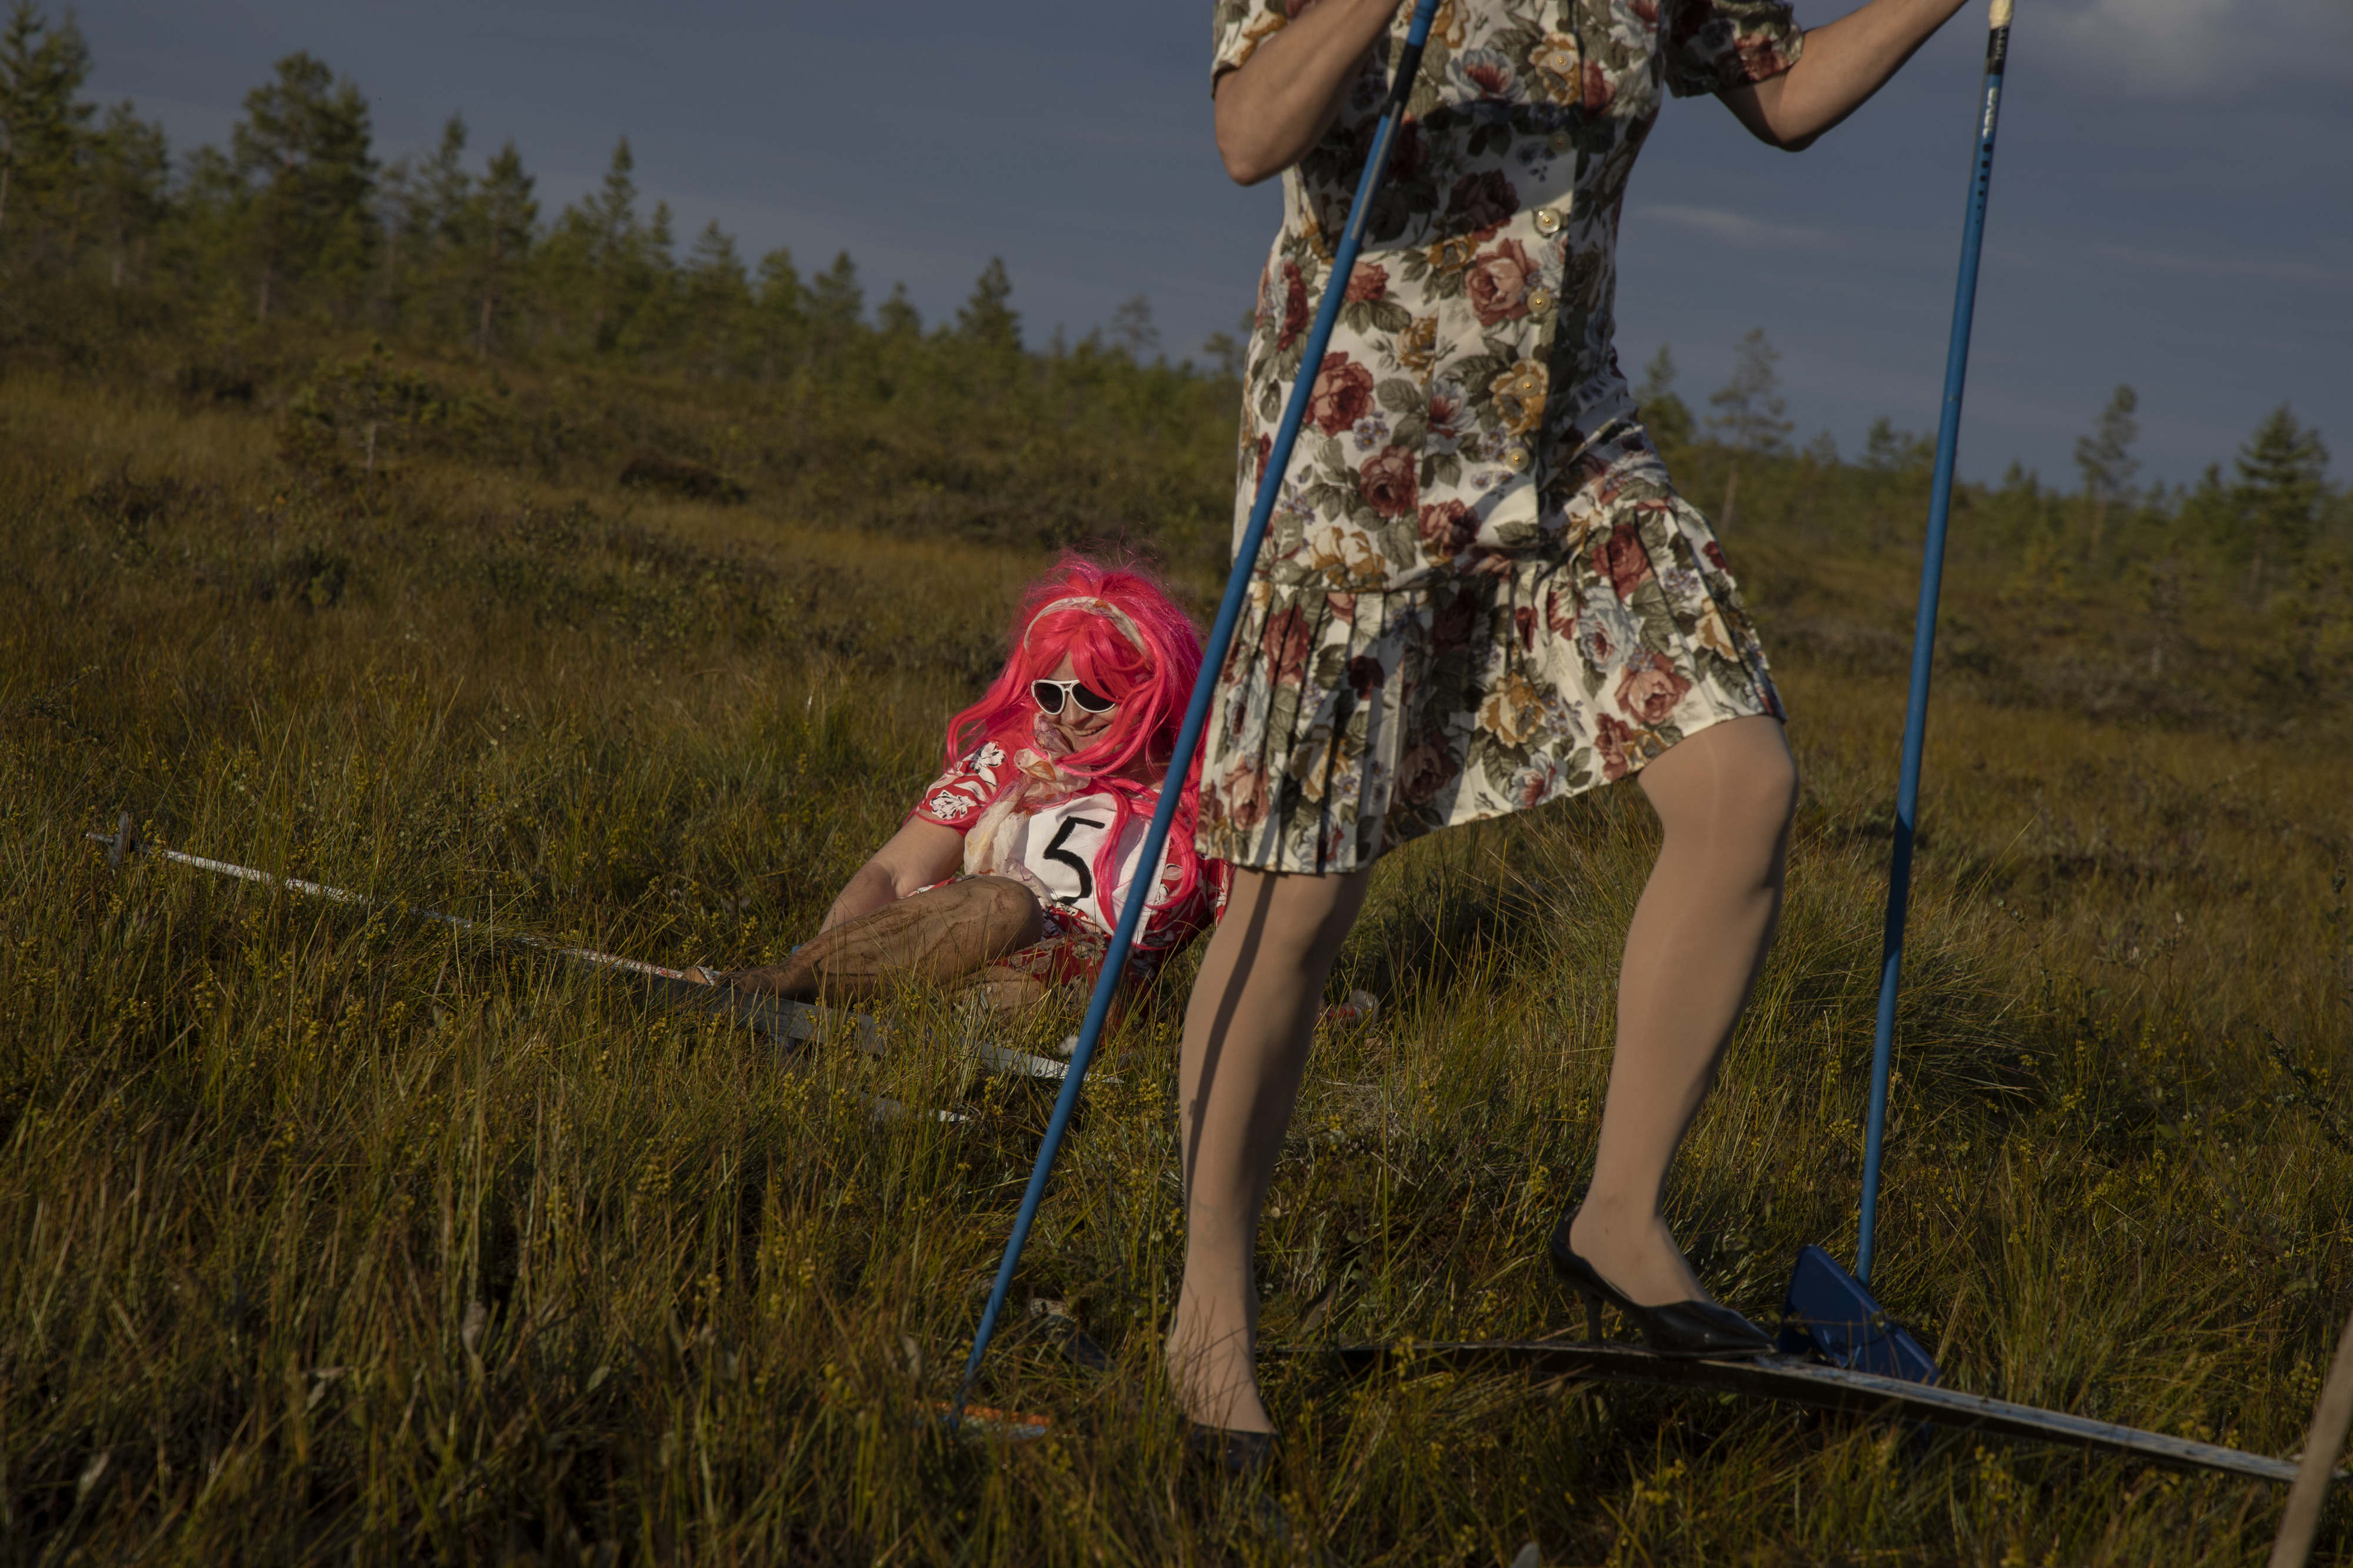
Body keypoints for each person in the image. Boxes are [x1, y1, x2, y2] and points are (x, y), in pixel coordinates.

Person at [1172, 0, 1975, 1448]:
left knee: (1743, 783)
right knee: (1296, 903)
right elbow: (1249, 133)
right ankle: (1208, 1310)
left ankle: (1616, 1215)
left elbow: (1778, 94)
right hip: (1363, 428)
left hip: (1565, 433)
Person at [724, 557, 1228, 1012]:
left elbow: (1251, 946)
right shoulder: (1015, 756)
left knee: (1095, 978)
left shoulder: (1213, 806)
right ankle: (786, 983)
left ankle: (923, 1027)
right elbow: (895, 873)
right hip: (964, 934)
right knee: (1006, 904)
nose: (1070, 716)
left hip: (1080, 987)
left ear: (1152, 689)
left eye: (1096, 697)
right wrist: (825, 951)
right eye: (1051, 694)